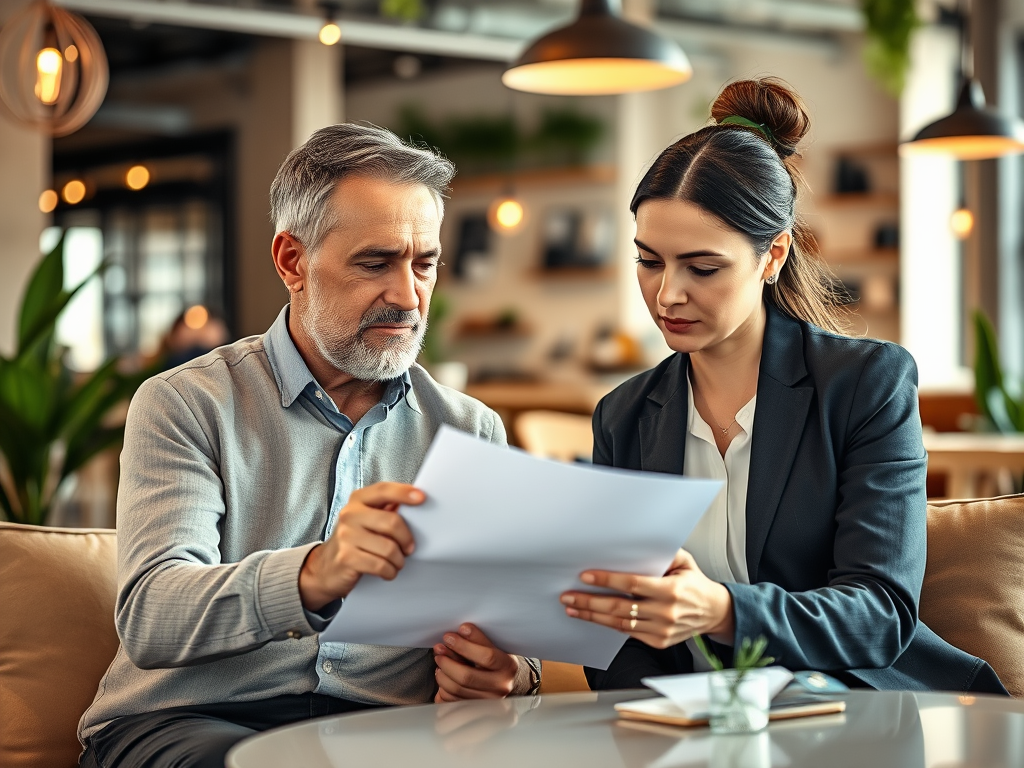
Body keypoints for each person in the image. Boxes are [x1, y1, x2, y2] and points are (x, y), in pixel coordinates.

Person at [78, 124, 541, 768]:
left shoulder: (471, 429)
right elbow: (155, 616)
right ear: (292, 261)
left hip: (384, 729)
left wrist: (510, 672)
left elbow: (510, 626)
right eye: (376, 263)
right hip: (192, 718)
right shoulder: (185, 403)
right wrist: (317, 572)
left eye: (425, 265)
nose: (408, 297)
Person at [559, 78, 1007, 695]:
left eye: (703, 267)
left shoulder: (865, 384)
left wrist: (722, 611)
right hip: (704, 720)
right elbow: (620, 640)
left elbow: (880, 613)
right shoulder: (625, 415)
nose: (668, 295)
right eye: (649, 260)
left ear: (772, 256)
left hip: (868, 704)